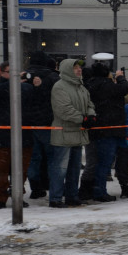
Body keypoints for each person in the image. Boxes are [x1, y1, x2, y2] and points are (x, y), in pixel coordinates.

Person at [0, 62, 33, 209]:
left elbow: (31, 96)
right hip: (2, 137)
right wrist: (13, 82)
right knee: (1, 169)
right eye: (8, 72)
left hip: (23, 135)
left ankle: (18, 195)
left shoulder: (24, 87)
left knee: (21, 170)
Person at [49, 58, 95, 208]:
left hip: (77, 133)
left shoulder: (81, 87)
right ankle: (55, 198)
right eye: (75, 67)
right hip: (64, 134)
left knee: (74, 169)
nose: (78, 70)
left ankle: (72, 196)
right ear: (68, 69)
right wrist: (82, 119)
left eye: (79, 68)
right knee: (60, 169)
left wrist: (91, 115)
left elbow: (89, 103)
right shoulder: (59, 87)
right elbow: (63, 109)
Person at [85, 61, 128, 202]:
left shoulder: (89, 85)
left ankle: (89, 190)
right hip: (109, 129)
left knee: (94, 162)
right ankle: (100, 191)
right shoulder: (107, 85)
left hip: (94, 128)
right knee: (104, 162)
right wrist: (121, 77)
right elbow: (125, 88)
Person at [25, 51, 59, 200]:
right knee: (52, 157)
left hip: (28, 124)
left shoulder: (23, 76)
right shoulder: (52, 77)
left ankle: (35, 187)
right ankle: (54, 186)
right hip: (48, 122)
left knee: (34, 158)